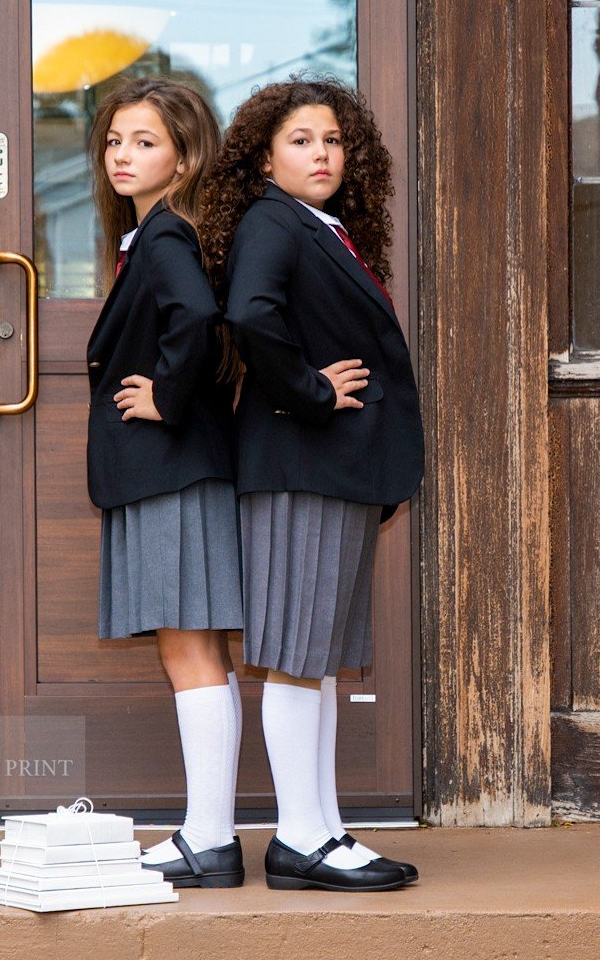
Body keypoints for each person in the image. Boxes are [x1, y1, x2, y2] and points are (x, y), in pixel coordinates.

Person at [199, 77, 423, 892]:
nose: (321, 153)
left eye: (331, 140)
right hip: (299, 464)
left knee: (317, 655)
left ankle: (322, 828)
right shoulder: (271, 220)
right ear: (265, 155)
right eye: (300, 140)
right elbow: (249, 317)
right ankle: (298, 838)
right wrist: (315, 389)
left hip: (330, 469)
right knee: (297, 654)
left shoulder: (320, 227)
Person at [85, 77, 245, 888]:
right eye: (115, 141)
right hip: (182, 470)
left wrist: (165, 393)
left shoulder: (166, 238)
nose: (123, 155)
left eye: (145, 142)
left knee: (189, 648)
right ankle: (210, 832)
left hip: (171, 469)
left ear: (184, 157)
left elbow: (194, 317)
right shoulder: (156, 233)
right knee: (202, 649)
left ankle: (209, 839)